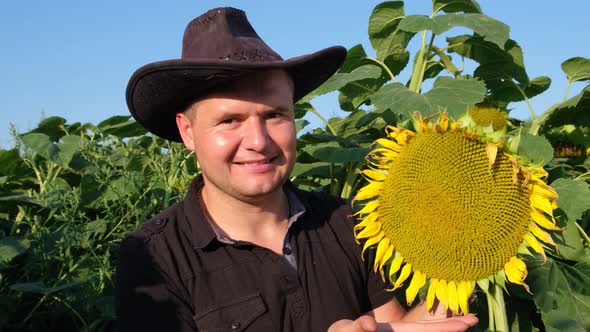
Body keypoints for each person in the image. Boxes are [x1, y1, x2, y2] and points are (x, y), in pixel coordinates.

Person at [115, 7, 478, 332]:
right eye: (230, 120)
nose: (258, 141)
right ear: (187, 131)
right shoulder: (154, 258)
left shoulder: (349, 222)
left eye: (275, 115)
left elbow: (393, 324)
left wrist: (469, 262)